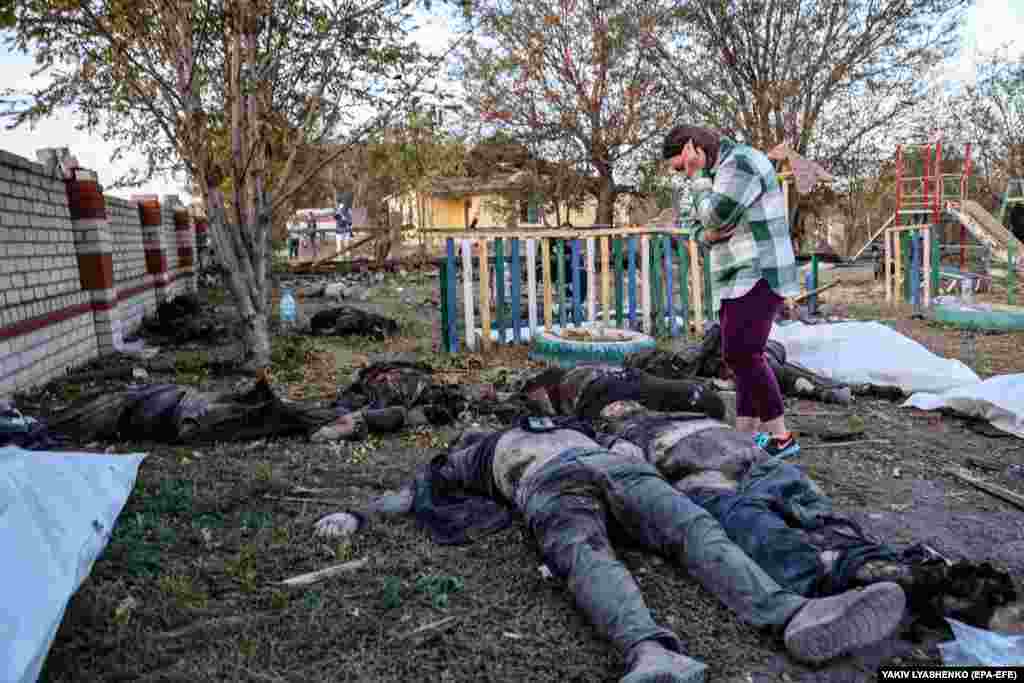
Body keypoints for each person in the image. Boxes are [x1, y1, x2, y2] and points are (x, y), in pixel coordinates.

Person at [393, 421, 905, 683]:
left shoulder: (562, 423)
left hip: (616, 468)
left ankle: (795, 614)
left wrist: (630, 454)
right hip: (550, 487)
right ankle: (651, 652)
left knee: (693, 525)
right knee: (585, 554)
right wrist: (358, 516)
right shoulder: (473, 453)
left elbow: (631, 447)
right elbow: (416, 488)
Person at [599, 411, 1018, 628]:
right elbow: (633, 481)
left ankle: (904, 573)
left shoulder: (681, 410)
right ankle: (868, 575)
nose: (623, 405)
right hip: (702, 476)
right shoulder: (619, 436)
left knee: (815, 514)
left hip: (748, 460)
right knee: (753, 527)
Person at [662, 126, 800, 457]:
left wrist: (699, 189)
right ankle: (747, 436)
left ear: (693, 148)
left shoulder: (741, 163)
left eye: (682, 166)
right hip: (730, 274)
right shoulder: (709, 176)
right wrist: (705, 235)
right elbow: (693, 221)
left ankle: (782, 437)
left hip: (759, 269)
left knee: (744, 354)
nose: (683, 174)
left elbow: (712, 215)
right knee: (736, 356)